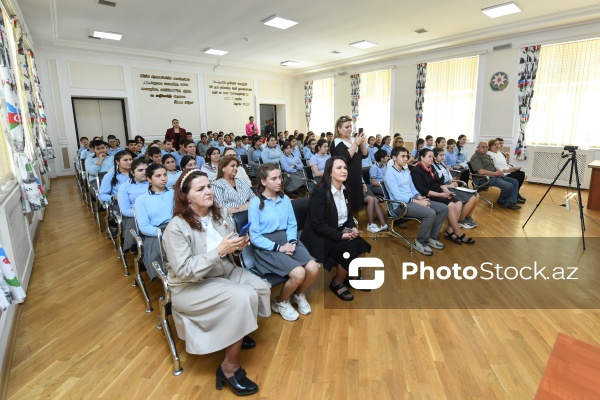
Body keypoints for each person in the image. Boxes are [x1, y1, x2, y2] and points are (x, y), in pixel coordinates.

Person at [162, 169, 270, 396]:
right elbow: (183, 271)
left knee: (261, 287)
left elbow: (228, 248)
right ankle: (229, 368)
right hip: (191, 285)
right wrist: (218, 251)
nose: (208, 191)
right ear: (186, 196)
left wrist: (238, 245)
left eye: (209, 186)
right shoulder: (177, 227)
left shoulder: (218, 216)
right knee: (243, 296)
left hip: (222, 272)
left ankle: (236, 330)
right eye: (200, 189)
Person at [248, 164, 319, 321]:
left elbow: (292, 224)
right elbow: (254, 237)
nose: (279, 181)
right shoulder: (255, 203)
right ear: (263, 181)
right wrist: (279, 248)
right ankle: (280, 302)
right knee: (299, 273)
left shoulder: (284, 198)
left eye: (279, 177)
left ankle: (298, 295)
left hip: (287, 239)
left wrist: (292, 242)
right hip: (267, 245)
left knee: (313, 268)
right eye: (274, 178)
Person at [300, 157, 372, 301]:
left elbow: (349, 215)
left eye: (345, 168)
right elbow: (318, 224)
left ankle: (351, 277)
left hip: (339, 229)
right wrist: (341, 236)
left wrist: (352, 228)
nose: (344, 170)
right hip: (320, 235)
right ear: (330, 172)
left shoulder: (345, 190)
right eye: (339, 168)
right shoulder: (320, 192)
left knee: (362, 246)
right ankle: (337, 282)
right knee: (348, 251)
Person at [384, 146, 448, 256]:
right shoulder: (390, 174)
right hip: (400, 205)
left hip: (412, 201)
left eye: (406, 156)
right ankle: (420, 242)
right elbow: (398, 196)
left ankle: (432, 238)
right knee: (430, 213)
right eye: (403, 156)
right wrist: (419, 202)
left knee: (443, 208)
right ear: (394, 158)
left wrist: (420, 198)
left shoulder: (405, 171)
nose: (406, 159)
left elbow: (413, 189)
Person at [411, 148, 475, 244]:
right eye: (429, 156)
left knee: (458, 203)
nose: (431, 159)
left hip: (439, 192)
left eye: (432, 157)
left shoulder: (430, 167)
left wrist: (446, 191)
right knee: (451, 205)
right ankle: (458, 232)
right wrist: (441, 195)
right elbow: (423, 190)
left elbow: (439, 182)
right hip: (429, 195)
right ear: (422, 157)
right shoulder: (416, 170)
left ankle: (450, 230)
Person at [134, 164, 175, 280]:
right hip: (156, 233)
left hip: (176, 227)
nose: (163, 178)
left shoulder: (174, 193)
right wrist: (163, 232)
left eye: (165, 175)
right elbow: (144, 227)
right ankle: (169, 280)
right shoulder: (141, 200)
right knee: (163, 247)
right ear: (149, 179)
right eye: (158, 176)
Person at [432, 148, 479, 228]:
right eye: (441, 155)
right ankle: (461, 220)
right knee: (471, 198)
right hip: (444, 188)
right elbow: (436, 184)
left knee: (476, 195)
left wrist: (453, 182)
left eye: (443, 155)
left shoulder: (441, 164)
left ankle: (467, 217)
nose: (443, 157)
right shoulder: (432, 167)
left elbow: (447, 178)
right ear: (434, 157)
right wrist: (449, 185)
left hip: (449, 185)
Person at [330, 116, 368, 211]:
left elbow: (365, 155)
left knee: (356, 206)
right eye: (347, 127)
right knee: (346, 205)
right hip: (345, 178)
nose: (350, 129)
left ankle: (353, 223)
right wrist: (356, 144)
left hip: (356, 177)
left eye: (351, 126)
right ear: (339, 129)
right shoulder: (336, 142)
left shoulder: (353, 139)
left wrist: (362, 144)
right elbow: (344, 158)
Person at [470, 141, 521, 210]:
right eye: (482, 147)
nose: (485, 149)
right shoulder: (476, 157)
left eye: (486, 147)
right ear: (478, 148)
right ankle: (501, 201)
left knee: (514, 181)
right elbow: (481, 171)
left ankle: (511, 202)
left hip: (494, 175)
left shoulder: (487, 155)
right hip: (484, 178)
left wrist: (499, 171)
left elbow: (493, 166)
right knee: (508, 185)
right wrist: (495, 173)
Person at [117, 158, 149, 252]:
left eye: (146, 170)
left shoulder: (153, 183)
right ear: (132, 172)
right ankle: (137, 246)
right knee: (135, 222)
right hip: (133, 215)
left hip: (153, 212)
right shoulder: (125, 187)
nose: (144, 172)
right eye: (140, 170)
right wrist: (143, 213)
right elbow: (125, 210)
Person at [488, 138, 526, 203]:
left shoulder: (499, 153)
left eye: (498, 144)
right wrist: (507, 170)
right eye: (495, 145)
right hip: (501, 172)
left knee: (521, 174)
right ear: (490, 146)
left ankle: (516, 194)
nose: (498, 146)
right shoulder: (489, 154)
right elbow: (494, 167)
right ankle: (513, 196)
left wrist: (511, 168)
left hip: (506, 170)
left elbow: (505, 163)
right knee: (516, 177)